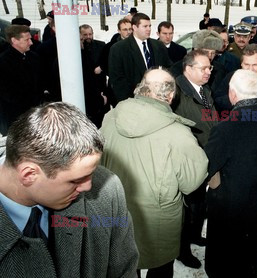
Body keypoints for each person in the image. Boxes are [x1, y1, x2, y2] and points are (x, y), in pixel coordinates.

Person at [0, 102, 139, 277]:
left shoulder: (106, 190)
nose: (89, 186)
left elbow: (124, 270)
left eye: (91, 173)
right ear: (29, 174)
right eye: (76, 180)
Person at [100, 68, 208, 277]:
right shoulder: (178, 132)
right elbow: (191, 182)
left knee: (126, 265)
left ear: (139, 88)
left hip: (116, 210)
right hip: (158, 221)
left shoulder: (110, 117)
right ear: (169, 97)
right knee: (160, 268)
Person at [204, 69, 257, 278]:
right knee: (249, 247)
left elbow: (208, 165)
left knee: (223, 254)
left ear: (233, 94)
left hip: (228, 203)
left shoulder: (225, 129)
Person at [172, 49, 218, 269]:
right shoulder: (176, 92)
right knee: (187, 209)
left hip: (204, 157)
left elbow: (211, 121)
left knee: (199, 205)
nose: (209, 71)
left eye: (210, 67)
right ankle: (182, 250)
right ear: (188, 69)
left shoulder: (204, 90)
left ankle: (194, 235)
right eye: (204, 68)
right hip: (187, 160)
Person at [109, 12, 171, 103]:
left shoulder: (158, 46)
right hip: (133, 101)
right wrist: (129, 101)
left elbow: (167, 68)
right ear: (134, 27)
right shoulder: (119, 49)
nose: (149, 29)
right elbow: (117, 79)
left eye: (150, 26)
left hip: (158, 100)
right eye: (145, 26)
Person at [0, 25, 44, 135]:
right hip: (15, 117)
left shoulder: (34, 57)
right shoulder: (3, 62)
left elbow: (40, 83)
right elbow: (7, 93)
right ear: (14, 40)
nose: (31, 43)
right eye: (27, 39)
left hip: (35, 113)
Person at [99, 18, 133, 107]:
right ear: (119, 31)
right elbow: (104, 64)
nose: (128, 32)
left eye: (130, 29)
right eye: (125, 29)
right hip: (117, 86)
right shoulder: (110, 47)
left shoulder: (138, 45)